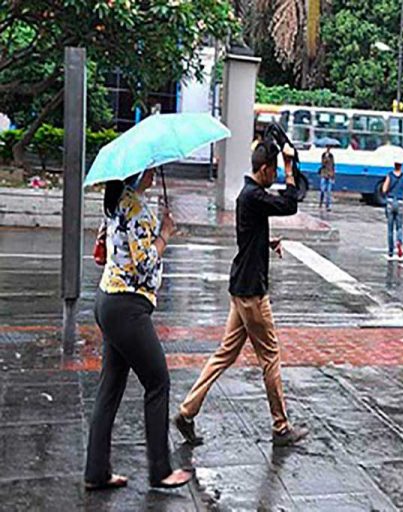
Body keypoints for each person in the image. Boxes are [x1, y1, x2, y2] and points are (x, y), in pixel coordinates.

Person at [174, 141, 309, 447]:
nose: (276, 174)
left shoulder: (248, 196)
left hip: (240, 288)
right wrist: (290, 169)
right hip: (252, 294)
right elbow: (289, 204)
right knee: (270, 357)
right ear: (264, 169)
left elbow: (250, 235)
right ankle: (281, 427)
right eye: (274, 169)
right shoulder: (253, 196)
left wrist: (267, 242)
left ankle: (186, 412)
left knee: (225, 354)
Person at [85, 169, 192, 491]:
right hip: (128, 308)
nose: (153, 172)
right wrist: (165, 235)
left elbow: (110, 250)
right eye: (148, 169)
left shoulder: (116, 202)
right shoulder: (136, 210)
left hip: (107, 302)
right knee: (158, 382)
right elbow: (146, 267)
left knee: (110, 388)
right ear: (136, 173)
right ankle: (161, 470)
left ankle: (96, 472)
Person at [382, 156, 403, 259]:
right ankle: (399, 241)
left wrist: (388, 191)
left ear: (394, 165)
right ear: (401, 166)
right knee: (399, 226)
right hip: (400, 202)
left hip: (390, 201)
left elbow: (384, 189)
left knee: (390, 228)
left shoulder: (389, 175)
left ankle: (390, 251)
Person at [319, 146, 335, 211]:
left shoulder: (331, 156)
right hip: (323, 174)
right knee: (322, 190)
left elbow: (333, 166)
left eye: (329, 148)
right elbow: (323, 163)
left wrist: (333, 176)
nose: (328, 149)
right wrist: (326, 158)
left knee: (329, 191)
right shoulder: (323, 155)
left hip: (330, 175)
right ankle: (321, 202)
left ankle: (328, 205)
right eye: (327, 148)